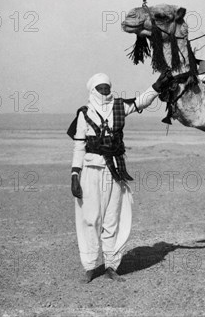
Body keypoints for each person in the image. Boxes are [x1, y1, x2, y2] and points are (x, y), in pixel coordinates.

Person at [67, 72, 170, 283]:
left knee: (112, 218)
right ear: (93, 90)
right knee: (90, 218)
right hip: (91, 171)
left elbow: (140, 102)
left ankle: (111, 266)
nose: (104, 91)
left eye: (107, 87)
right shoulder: (84, 114)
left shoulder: (119, 107)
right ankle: (89, 266)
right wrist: (75, 175)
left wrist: (156, 87)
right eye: (100, 88)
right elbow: (78, 146)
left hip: (113, 169)